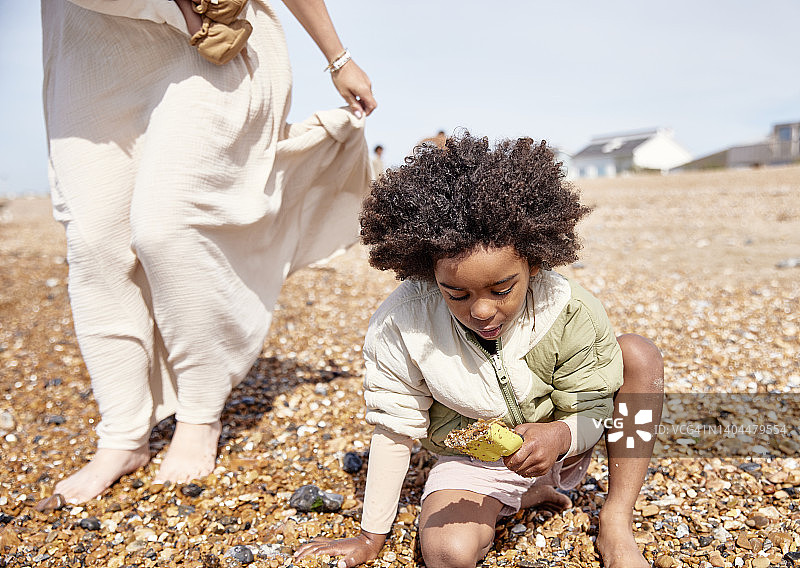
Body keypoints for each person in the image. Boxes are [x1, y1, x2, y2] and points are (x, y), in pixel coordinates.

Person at [41, 0, 376, 505]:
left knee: (168, 226)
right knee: (95, 246)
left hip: (214, 37)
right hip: (91, 43)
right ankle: (123, 436)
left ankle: (199, 412)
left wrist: (337, 55)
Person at [294, 132, 664, 568]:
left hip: (565, 443)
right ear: (429, 275)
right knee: (447, 554)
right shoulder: (404, 322)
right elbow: (394, 428)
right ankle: (524, 494)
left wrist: (562, 434)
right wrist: (370, 536)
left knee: (638, 355)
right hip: (474, 462)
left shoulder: (568, 308)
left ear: (534, 262)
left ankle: (616, 522)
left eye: (502, 288)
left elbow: (596, 403)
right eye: (457, 294)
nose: (483, 310)